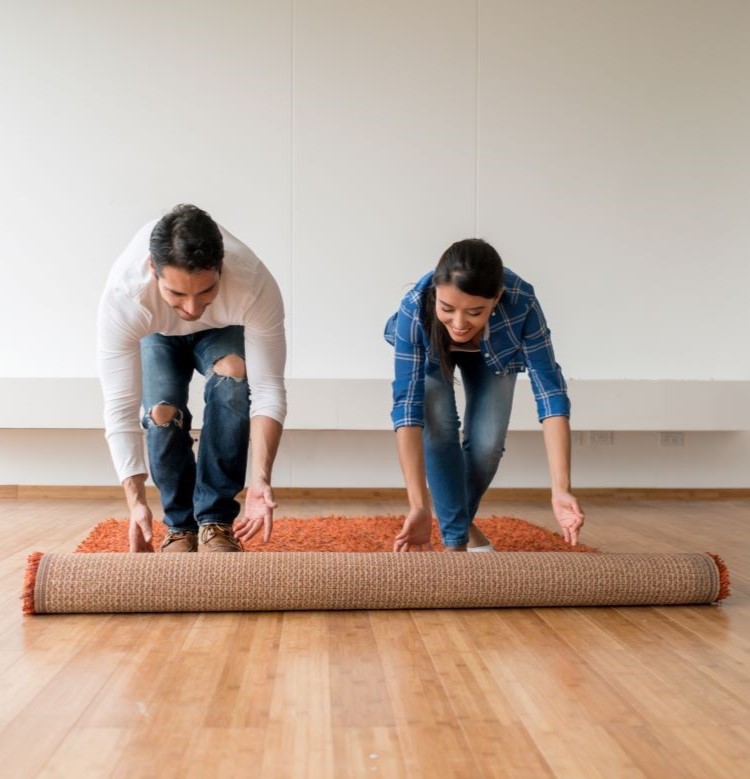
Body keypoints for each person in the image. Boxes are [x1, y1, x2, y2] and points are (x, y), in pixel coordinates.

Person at [98, 204, 286, 553]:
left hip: (222, 328)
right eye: (177, 294)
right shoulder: (126, 295)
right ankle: (180, 526)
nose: (192, 309)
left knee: (233, 374)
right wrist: (136, 502)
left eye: (205, 292)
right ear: (153, 269)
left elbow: (268, 389)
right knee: (161, 412)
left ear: (221, 267)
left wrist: (261, 481)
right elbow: (120, 407)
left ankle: (215, 520)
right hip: (157, 332)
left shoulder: (253, 282)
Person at [384, 238, 584, 552]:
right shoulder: (415, 304)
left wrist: (561, 489)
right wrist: (418, 505)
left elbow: (550, 392)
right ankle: (457, 541)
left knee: (487, 445)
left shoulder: (522, 302)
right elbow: (407, 407)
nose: (460, 324)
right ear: (436, 294)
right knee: (440, 430)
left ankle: (455, 526)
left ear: (497, 298)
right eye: (447, 309)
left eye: (475, 312)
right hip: (431, 352)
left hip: (494, 354)